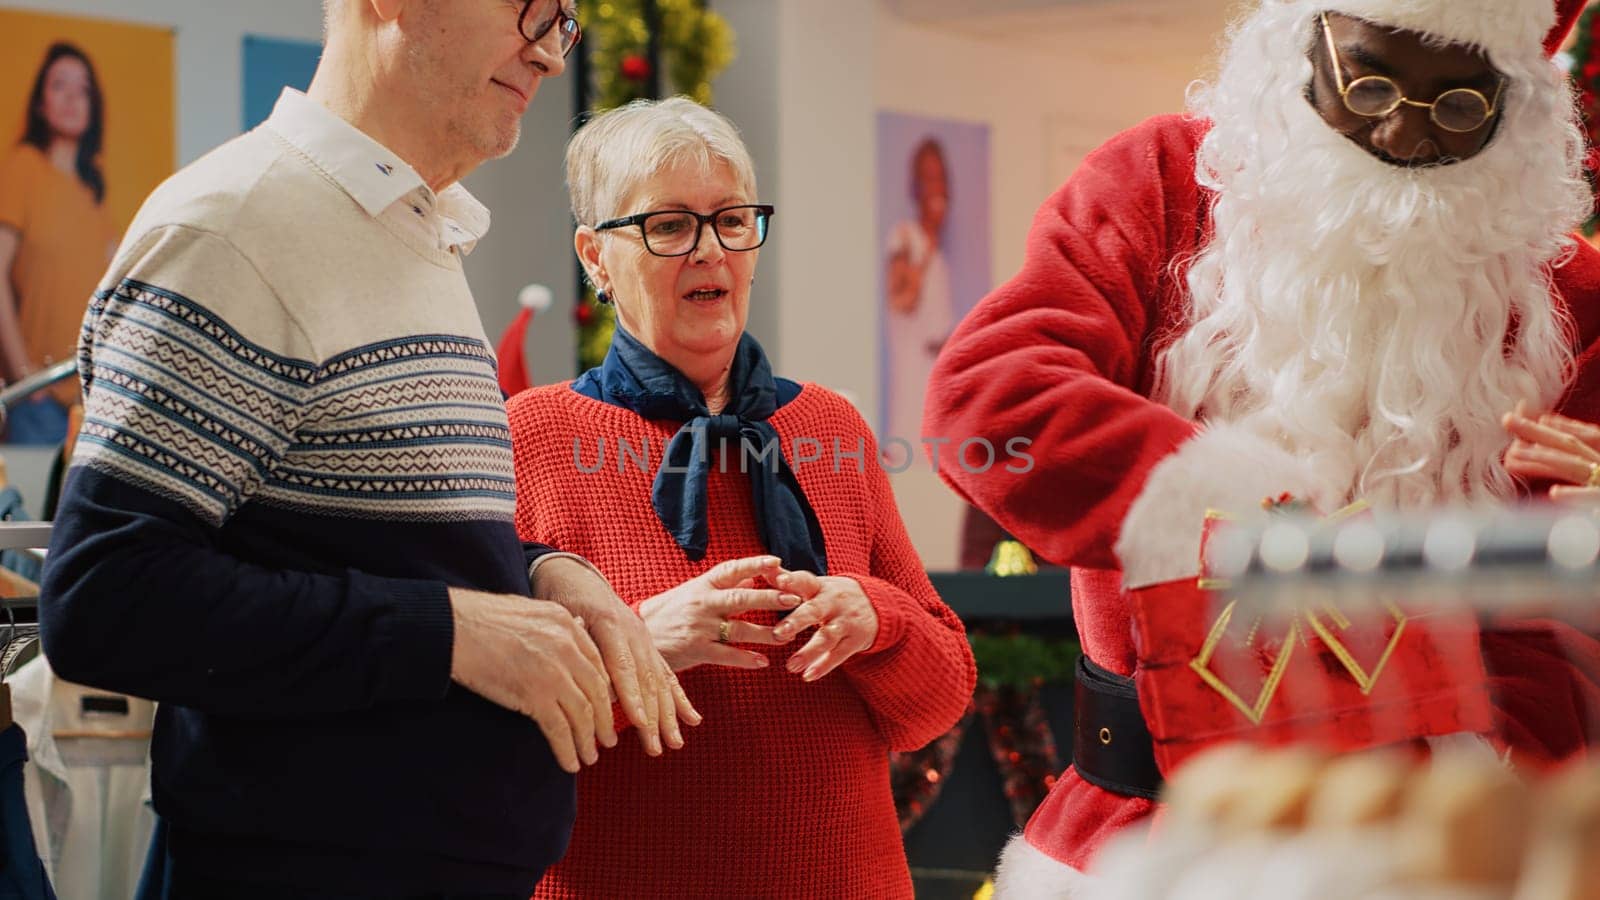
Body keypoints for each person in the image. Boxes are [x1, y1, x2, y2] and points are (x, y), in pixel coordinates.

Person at [923, 0, 1598, 894]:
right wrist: (1217, 500)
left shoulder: (1570, 299)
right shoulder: (1164, 182)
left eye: (1460, 107)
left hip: (1435, 841)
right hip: (1150, 833)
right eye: (1369, 79)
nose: (1400, 130)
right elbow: (990, 396)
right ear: (1303, 39)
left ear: (1518, 104)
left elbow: (1552, 640)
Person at [37, 1, 688, 896]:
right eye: (528, 7)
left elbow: (374, 539)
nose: (547, 50)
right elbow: (106, 598)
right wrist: (452, 633)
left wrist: (546, 575)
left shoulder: (411, 231)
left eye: (565, 19)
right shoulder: (235, 228)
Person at [506, 97, 976, 898]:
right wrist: (638, 646)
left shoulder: (830, 426)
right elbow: (489, 738)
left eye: (731, 220)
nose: (709, 251)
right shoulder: (531, 439)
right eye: (669, 226)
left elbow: (937, 701)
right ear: (595, 256)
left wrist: (875, 618)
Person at [0, 42, 118, 445]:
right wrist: (23, 374)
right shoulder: (23, 169)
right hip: (40, 398)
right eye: (59, 86)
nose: (71, 98)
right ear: (39, 103)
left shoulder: (92, 188)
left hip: (93, 396)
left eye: (82, 89)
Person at [884, 137, 953, 447]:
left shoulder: (937, 249)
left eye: (939, 178)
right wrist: (924, 255)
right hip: (914, 371)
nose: (934, 187)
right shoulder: (905, 237)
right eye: (927, 178)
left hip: (937, 372)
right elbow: (901, 301)